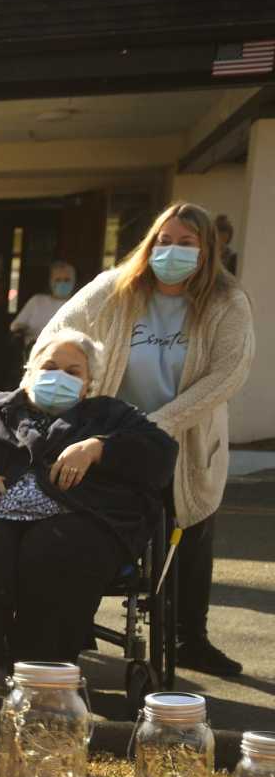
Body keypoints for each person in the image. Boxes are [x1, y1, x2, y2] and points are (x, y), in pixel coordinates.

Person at [43, 202, 256, 678]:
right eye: (164, 241)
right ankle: (71, 623)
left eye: (186, 243)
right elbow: (56, 336)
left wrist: (159, 424)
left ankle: (190, 637)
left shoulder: (226, 301)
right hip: (112, 434)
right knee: (90, 522)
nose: (172, 251)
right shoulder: (115, 289)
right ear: (150, 244)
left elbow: (227, 374)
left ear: (206, 252)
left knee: (191, 532)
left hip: (186, 435)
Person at [0, 332, 176, 703]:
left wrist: (98, 448)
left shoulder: (111, 416)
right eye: (50, 367)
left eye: (73, 371)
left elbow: (161, 456)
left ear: (87, 385)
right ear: (29, 370)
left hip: (75, 515)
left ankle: (40, 685)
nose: (59, 376)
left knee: (59, 554)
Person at [11, 261, 76, 353]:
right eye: (58, 280)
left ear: (73, 281)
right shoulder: (37, 301)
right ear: (51, 281)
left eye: (66, 280)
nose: (62, 283)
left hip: (67, 354)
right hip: (36, 353)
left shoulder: (78, 304)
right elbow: (16, 326)